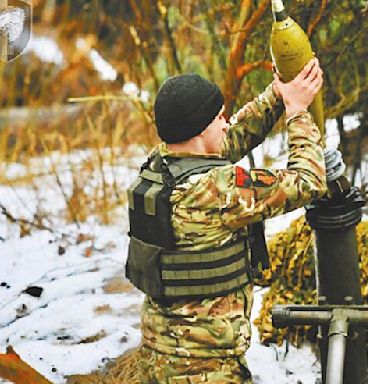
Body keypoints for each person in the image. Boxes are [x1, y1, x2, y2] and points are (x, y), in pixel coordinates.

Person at [127, 58, 326, 383]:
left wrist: (277, 93)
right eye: (219, 118)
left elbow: (226, 141)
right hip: (205, 371)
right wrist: (297, 113)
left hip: (160, 358)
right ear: (198, 128)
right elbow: (308, 181)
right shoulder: (219, 190)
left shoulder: (160, 165)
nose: (225, 124)